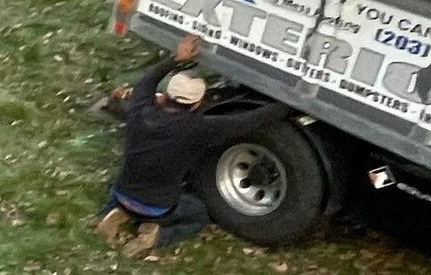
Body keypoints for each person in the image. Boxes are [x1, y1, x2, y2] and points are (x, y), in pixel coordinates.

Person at [97, 36, 295, 254]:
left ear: (165, 96)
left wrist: (177, 59)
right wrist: (290, 104)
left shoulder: (139, 109)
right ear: (197, 103)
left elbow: (148, 80)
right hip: (158, 207)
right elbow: (248, 121)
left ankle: (115, 210)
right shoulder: (200, 129)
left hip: (122, 192)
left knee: (124, 179)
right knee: (199, 214)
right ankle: (157, 235)